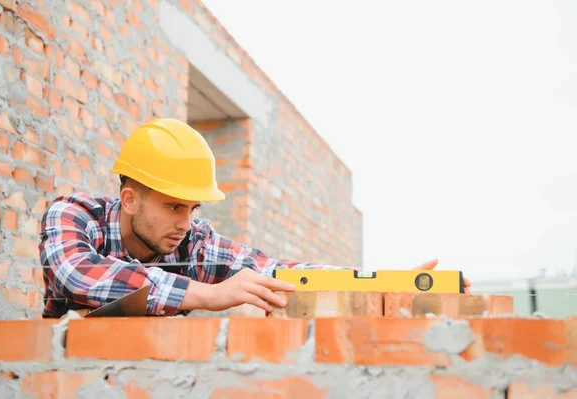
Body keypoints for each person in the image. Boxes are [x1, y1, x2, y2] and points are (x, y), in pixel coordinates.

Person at [38, 118, 471, 318]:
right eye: (174, 206)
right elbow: (78, 274)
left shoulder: (193, 243)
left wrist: (387, 284)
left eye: (192, 209)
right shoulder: (73, 216)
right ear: (130, 200)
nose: (185, 223)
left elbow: (278, 273)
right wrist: (208, 296)